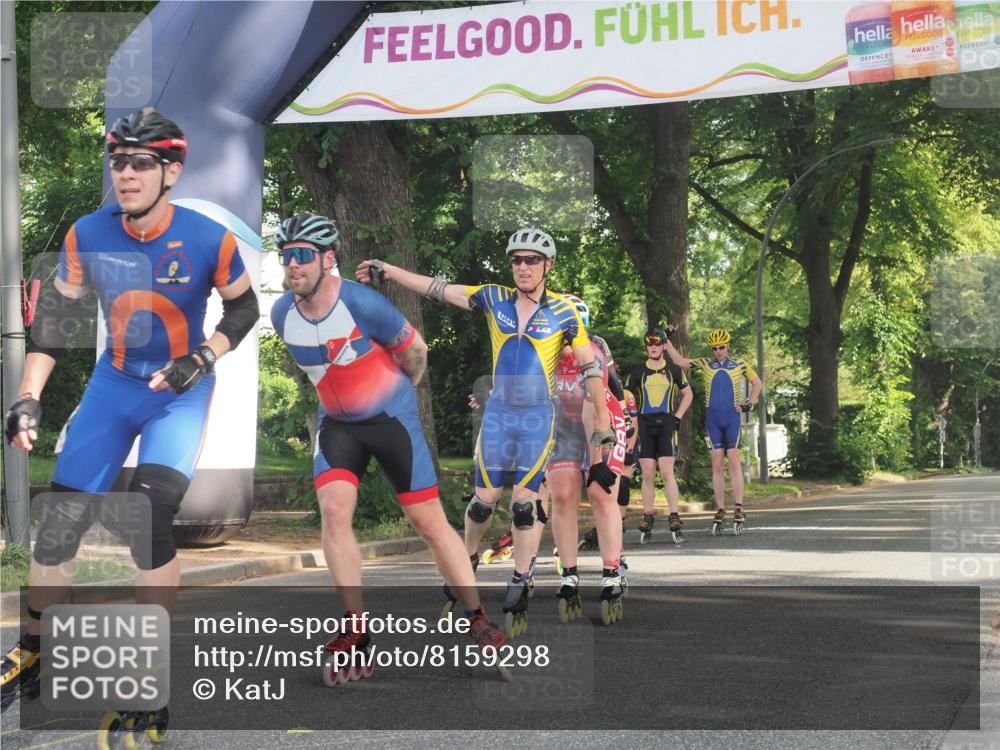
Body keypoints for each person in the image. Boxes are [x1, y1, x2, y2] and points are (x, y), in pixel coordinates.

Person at [2, 109, 259, 723]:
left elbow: (244, 310)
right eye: (118, 162)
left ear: (172, 172)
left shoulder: (208, 238)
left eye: (141, 163)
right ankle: (33, 647)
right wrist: (29, 395)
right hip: (113, 387)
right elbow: (54, 323)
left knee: (147, 521)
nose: (125, 174)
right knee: (58, 527)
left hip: (179, 390)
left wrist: (203, 356)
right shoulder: (87, 233)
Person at [269, 214, 508, 680]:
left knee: (429, 523)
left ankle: (478, 618)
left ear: (328, 259)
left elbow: (416, 350)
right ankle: (356, 630)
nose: (292, 264)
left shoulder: (361, 302)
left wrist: (399, 394)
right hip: (338, 425)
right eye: (285, 256)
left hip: (391, 419)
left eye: (302, 255)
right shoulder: (281, 314)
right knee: (334, 510)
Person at [356, 228, 617, 636]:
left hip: (537, 417)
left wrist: (602, 421)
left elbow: (591, 366)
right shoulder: (494, 298)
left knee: (524, 506)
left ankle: (521, 578)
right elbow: (439, 289)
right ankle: (468, 558)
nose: (523, 267)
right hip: (499, 415)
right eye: (517, 260)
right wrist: (389, 270)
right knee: (483, 503)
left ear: (547, 265)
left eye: (532, 260)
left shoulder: (564, 312)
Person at [545, 295, 628, 625]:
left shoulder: (590, 353)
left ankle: (611, 573)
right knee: (563, 495)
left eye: (569, 333)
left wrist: (596, 463)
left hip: (603, 421)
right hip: (565, 426)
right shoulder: (544, 354)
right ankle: (569, 576)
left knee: (599, 493)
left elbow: (592, 412)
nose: (563, 340)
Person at [664, 326, 761, 533]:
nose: (718, 351)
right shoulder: (705, 363)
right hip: (713, 420)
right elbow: (680, 361)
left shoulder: (740, 364)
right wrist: (666, 339)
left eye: (722, 347)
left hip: (732, 418)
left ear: (728, 346)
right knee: (716, 463)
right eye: (715, 348)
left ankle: (739, 507)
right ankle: (720, 508)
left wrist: (749, 404)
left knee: (734, 460)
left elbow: (757, 384)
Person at [627, 328, 693, 544]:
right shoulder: (637, 372)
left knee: (666, 472)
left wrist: (677, 417)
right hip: (644, 425)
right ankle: (647, 516)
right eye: (649, 344)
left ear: (664, 346)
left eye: (657, 344)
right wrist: (631, 422)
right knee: (647, 473)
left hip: (666, 424)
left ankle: (674, 516)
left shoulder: (674, 370)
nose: (653, 347)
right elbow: (625, 397)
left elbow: (688, 394)